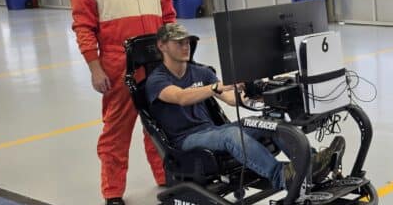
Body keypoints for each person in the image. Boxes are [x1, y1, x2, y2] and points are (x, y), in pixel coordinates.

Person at [146, 23, 344, 191]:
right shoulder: (157, 80)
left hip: (212, 131)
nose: (185, 46)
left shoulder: (200, 72)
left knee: (270, 122)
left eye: (187, 42)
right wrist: (215, 87)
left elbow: (232, 99)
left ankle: (312, 164)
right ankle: (281, 177)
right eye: (179, 42)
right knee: (231, 135)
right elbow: (181, 97)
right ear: (162, 46)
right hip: (185, 140)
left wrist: (263, 94)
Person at [71, 0, 176, 205]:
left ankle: (165, 175)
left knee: (161, 123)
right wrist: (95, 68)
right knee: (117, 130)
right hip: (118, 66)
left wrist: (174, 55)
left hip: (157, 62)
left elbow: (168, 17)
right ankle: (113, 189)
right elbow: (83, 27)